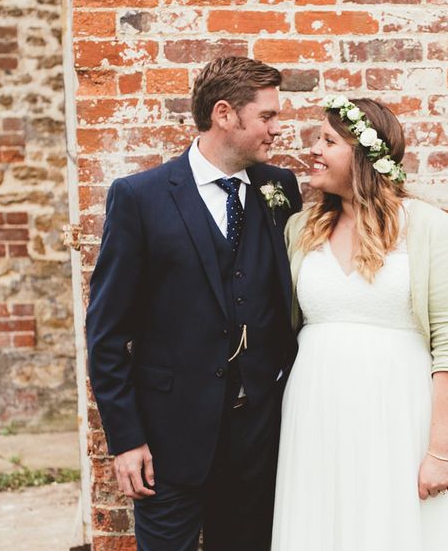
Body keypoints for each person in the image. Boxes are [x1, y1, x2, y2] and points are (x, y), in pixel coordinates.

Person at [86, 56, 302, 551]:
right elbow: (106, 333)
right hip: (168, 441)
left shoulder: (279, 188)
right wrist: (126, 439)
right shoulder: (140, 198)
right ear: (225, 114)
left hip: (257, 439)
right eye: (267, 117)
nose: (278, 129)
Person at [272, 95, 448, 550]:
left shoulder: (430, 229)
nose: (314, 149)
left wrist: (440, 452)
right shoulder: (300, 229)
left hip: (398, 417)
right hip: (316, 417)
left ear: (363, 156)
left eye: (328, 140)